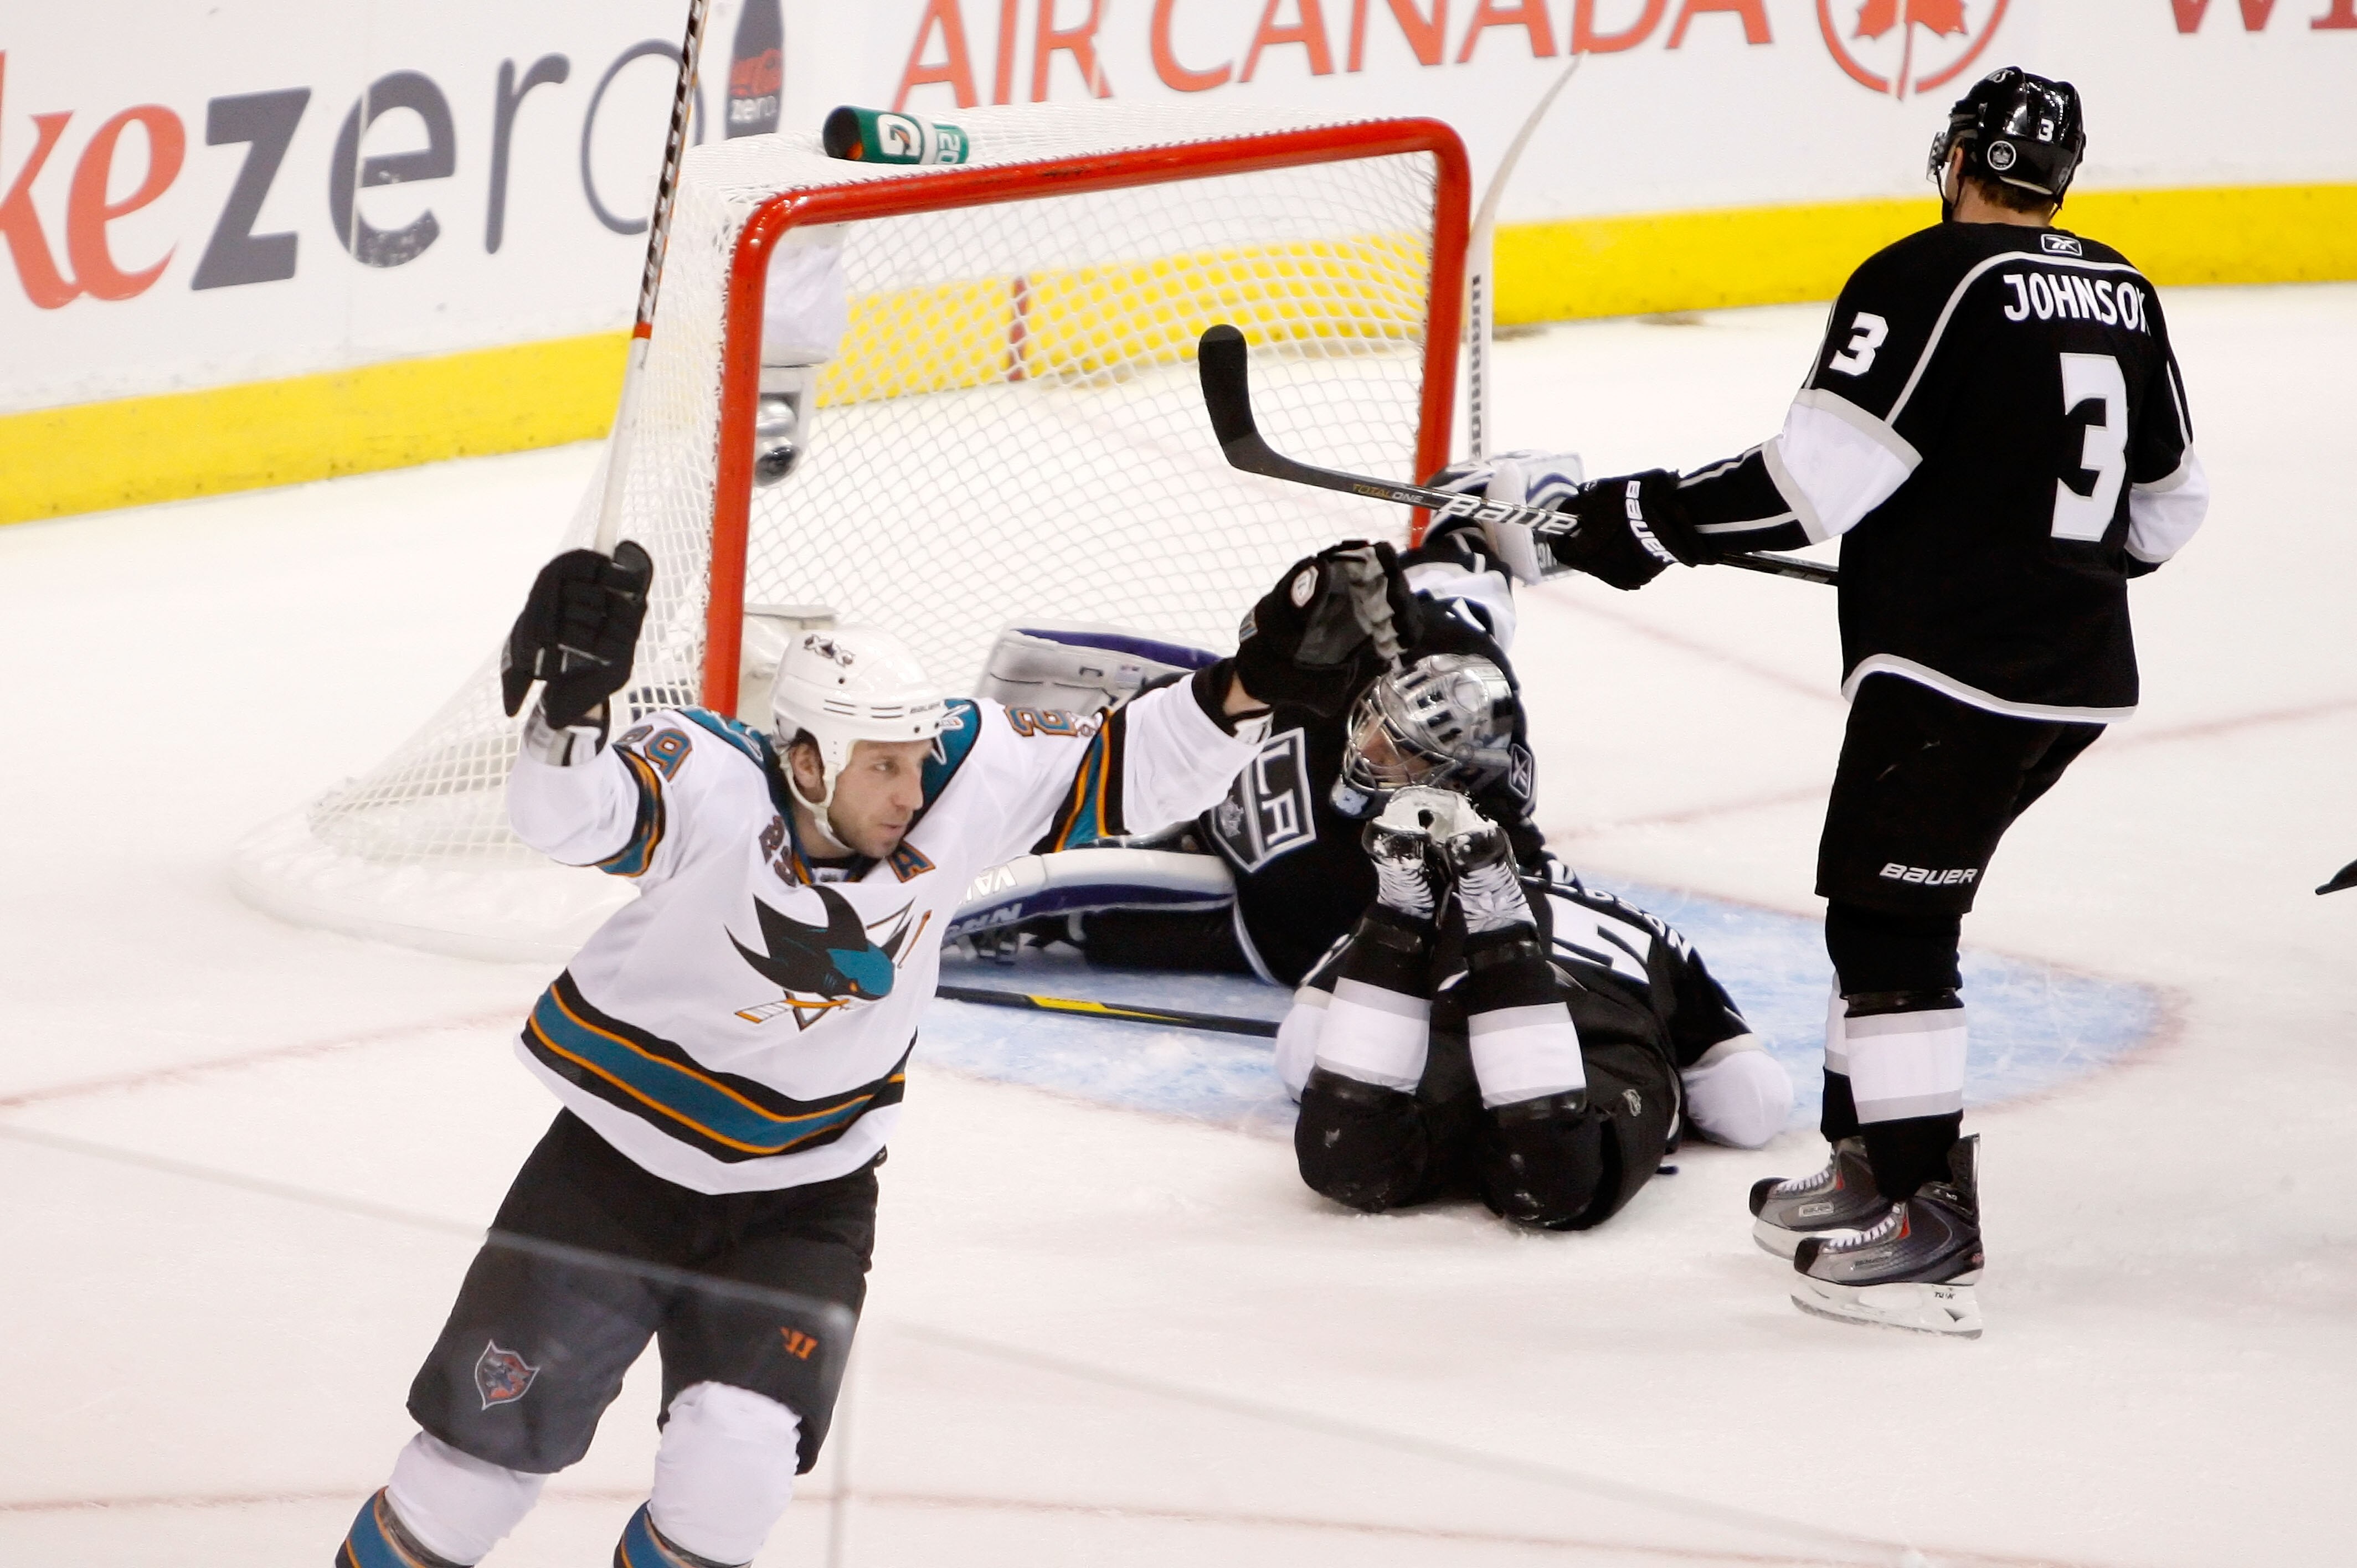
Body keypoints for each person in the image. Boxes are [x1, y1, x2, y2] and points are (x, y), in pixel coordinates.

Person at [334, 538, 1414, 1567]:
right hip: (614, 1174)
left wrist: (1251, 684)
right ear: (805, 759)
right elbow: (569, 818)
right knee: (467, 1481)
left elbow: (1128, 768)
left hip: (808, 1193)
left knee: (734, 1476)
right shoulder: (711, 779)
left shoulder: (959, 774)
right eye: (882, 767)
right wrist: (568, 716)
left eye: (916, 759)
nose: (911, 790)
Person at [1458, 69, 2207, 1333]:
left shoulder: (1923, 275)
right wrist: (2034, 558)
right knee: (1880, 908)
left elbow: (1812, 482)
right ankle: (1867, 1165)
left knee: (1895, 922)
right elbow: (2168, 511)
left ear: (1956, 156)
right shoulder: (2121, 286)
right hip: (2074, 672)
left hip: (1956, 671)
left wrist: (1630, 519)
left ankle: (1927, 1221)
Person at [1277, 784, 1790, 1229]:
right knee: (1553, 1183)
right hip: (1608, 1045)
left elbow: (1302, 1052)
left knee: (1347, 1162)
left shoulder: (1439, 902)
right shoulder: (1650, 928)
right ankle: (1505, 940)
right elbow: (1752, 1103)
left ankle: (1399, 923)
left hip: (1458, 1037)